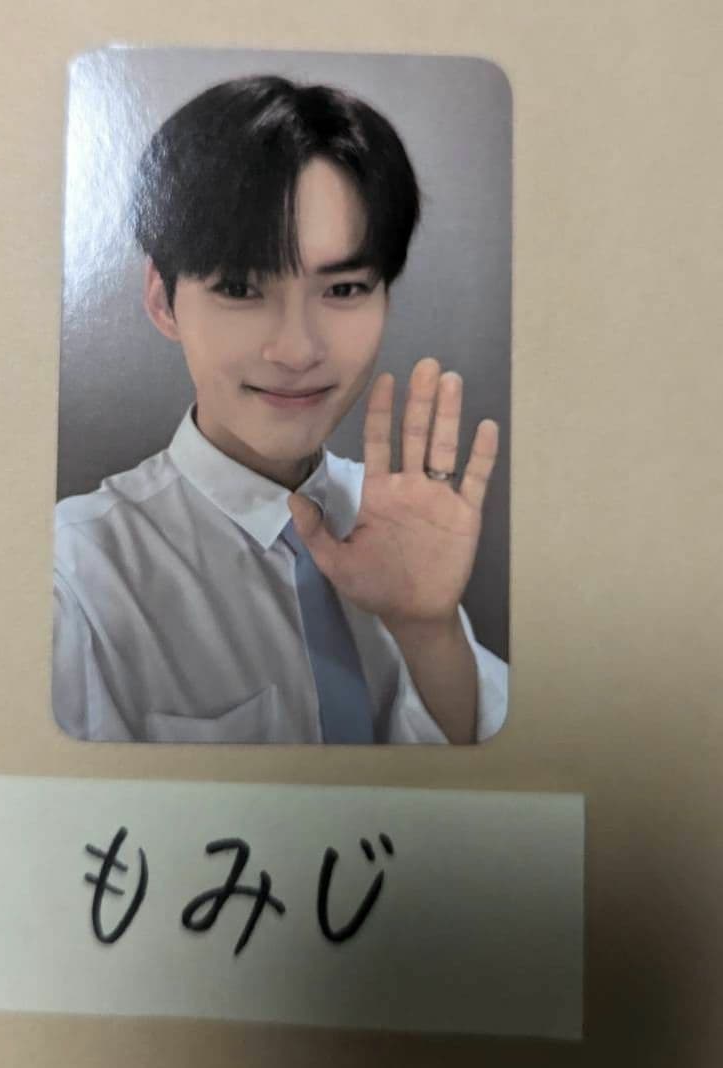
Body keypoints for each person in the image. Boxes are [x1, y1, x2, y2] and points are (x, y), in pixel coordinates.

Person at [53, 74, 508, 744]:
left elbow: (513, 782)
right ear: (162, 300)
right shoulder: (73, 577)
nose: (297, 350)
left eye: (344, 288)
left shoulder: (400, 518)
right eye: (240, 288)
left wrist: (428, 630)